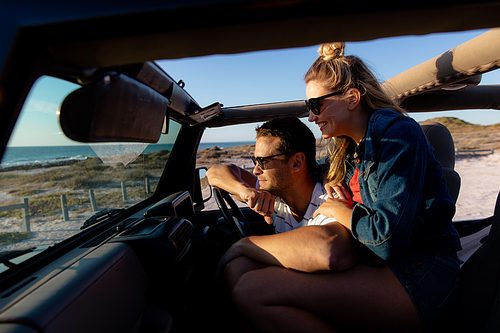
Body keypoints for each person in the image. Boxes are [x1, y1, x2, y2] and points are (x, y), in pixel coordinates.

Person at [217, 42, 462, 333]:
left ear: (352, 98)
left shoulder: (397, 134)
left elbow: (386, 240)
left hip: (420, 273)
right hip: (384, 267)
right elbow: (290, 173)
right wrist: (255, 190)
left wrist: (341, 211)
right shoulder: (348, 150)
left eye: (315, 105)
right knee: (242, 275)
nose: (311, 116)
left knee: (253, 291)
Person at [207, 116, 348, 233]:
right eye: (255, 161)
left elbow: (328, 251)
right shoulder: (274, 195)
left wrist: (243, 247)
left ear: (296, 163)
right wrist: (244, 191)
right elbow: (214, 173)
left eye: (263, 161)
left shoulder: (330, 202)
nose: (256, 170)